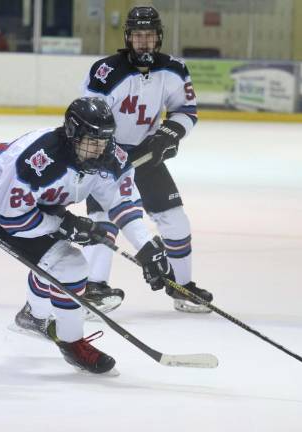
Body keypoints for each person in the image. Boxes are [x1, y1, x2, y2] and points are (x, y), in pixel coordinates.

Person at [0, 97, 174, 374]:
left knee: (54, 257)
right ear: (73, 134)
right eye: (92, 141)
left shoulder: (110, 157)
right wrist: (63, 224)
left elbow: (121, 204)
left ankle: (33, 317)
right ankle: (72, 343)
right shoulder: (39, 161)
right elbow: (13, 219)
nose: (100, 149)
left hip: (39, 201)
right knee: (71, 264)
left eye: (105, 140)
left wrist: (147, 247)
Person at [80, 6, 213, 314]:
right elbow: (88, 115)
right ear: (128, 37)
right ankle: (93, 287)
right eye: (138, 36)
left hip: (147, 155)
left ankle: (182, 286)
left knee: (175, 218)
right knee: (103, 219)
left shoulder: (174, 69)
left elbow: (186, 110)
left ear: (158, 38)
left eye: (149, 36)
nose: (143, 42)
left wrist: (168, 134)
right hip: (107, 158)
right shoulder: (106, 70)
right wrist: (104, 152)